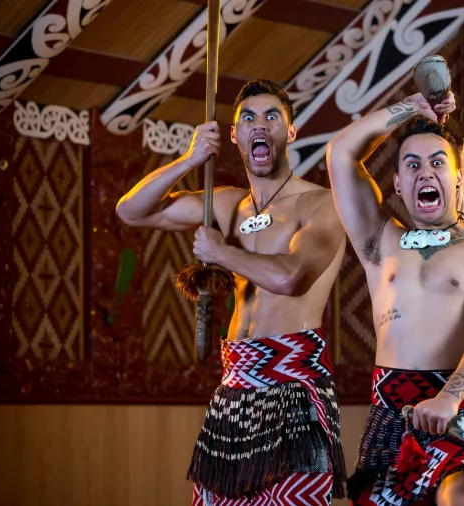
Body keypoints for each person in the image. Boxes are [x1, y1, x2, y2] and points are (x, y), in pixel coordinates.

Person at [116, 79, 347, 505]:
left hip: (294, 387)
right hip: (234, 386)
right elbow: (131, 210)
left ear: (290, 132)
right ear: (235, 135)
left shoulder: (321, 204)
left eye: (272, 116)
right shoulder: (226, 204)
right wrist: (190, 158)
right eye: (248, 118)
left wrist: (222, 252)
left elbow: (292, 279)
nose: (260, 125)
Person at [327, 91, 464, 506]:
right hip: (391, 417)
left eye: (438, 163)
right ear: (398, 184)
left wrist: (450, 396)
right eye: (412, 165)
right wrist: (411, 108)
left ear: (459, 177)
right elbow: (341, 152)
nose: (425, 173)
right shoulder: (380, 241)